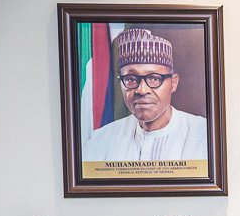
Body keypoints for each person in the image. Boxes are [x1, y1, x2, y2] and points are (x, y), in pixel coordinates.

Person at [82, 28, 208, 162]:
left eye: (154, 78)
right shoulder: (101, 141)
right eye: (131, 79)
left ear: (173, 83)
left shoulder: (203, 135)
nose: (141, 90)